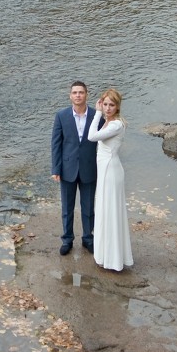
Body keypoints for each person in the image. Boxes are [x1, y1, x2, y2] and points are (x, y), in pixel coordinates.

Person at [51, 81, 100, 255]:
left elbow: (103, 143)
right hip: (67, 168)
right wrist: (55, 169)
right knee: (67, 207)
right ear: (70, 95)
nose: (78, 95)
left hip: (89, 168)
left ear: (87, 94)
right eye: (74, 92)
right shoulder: (61, 116)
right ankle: (67, 239)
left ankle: (88, 238)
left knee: (88, 208)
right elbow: (56, 144)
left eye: (81, 92)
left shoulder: (96, 116)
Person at [88, 88, 133, 270]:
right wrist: (101, 116)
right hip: (105, 168)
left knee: (111, 212)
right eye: (105, 104)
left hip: (111, 171)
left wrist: (97, 112)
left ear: (117, 106)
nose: (107, 108)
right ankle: (105, 255)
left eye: (111, 105)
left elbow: (91, 136)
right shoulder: (109, 122)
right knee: (104, 210)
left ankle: (113, 259)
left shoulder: (116, 125)